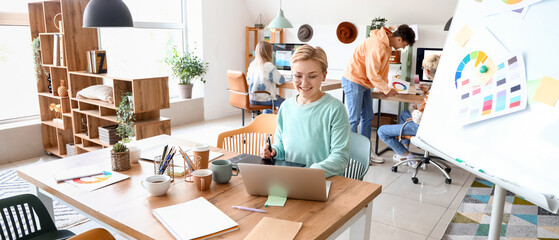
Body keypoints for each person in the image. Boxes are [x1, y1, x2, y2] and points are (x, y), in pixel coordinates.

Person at [260, 45, 350, 178]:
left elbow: (340, 158)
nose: (304, 83)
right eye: (298, 76)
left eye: (312, 76)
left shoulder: (335, 109)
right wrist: (273, 151)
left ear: (324, 76)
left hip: (322, 180)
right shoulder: (285, 107)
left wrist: (310, 173)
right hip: (290, 178)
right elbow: (281, 146)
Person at [342, 24, 416, 140]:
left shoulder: (387, 45)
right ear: (399, 39)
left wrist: (384, 88)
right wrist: (386, 89)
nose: (402, 48)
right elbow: (372, 73)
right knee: (354, 119)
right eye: (404, 45)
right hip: (353, 80)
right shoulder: (377, 45)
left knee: (368, 117)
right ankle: (351, 151)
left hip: (365, 83)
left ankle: (366, 149)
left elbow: (383, 70)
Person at [377, 54, 440, 168]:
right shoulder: (440, 86)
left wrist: (415, 110)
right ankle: (404, 150)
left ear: (426, 71)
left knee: (382, 131)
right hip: (435, 124)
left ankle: (410, 158)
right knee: (404, 114)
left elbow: (417, 118)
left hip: (423, 127)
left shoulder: (432, 93)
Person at [246, 41, 286, 113]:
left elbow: (248, 80)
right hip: (266, 100)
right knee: (284, 102)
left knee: (268, 96)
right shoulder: (269, 66)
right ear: (269, 52)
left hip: (252, 99)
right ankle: (278, 121)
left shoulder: (252, 65)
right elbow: (280, 81)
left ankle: (265, 118)